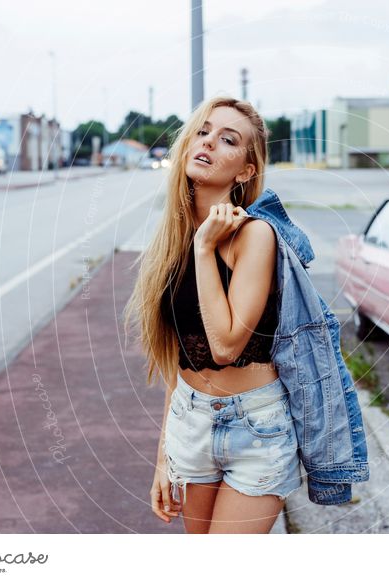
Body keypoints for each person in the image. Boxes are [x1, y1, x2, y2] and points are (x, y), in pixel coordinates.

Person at [123, 96, 299, 534]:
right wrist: (165, 456)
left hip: (255, 427)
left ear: (245, 170)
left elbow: (224, 347)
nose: (208, 143)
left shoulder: (254, 236)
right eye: (203, 132)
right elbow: (178, 361)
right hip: (191, 420)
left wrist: (205, 247)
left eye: (227, 140)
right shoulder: (172, 243)